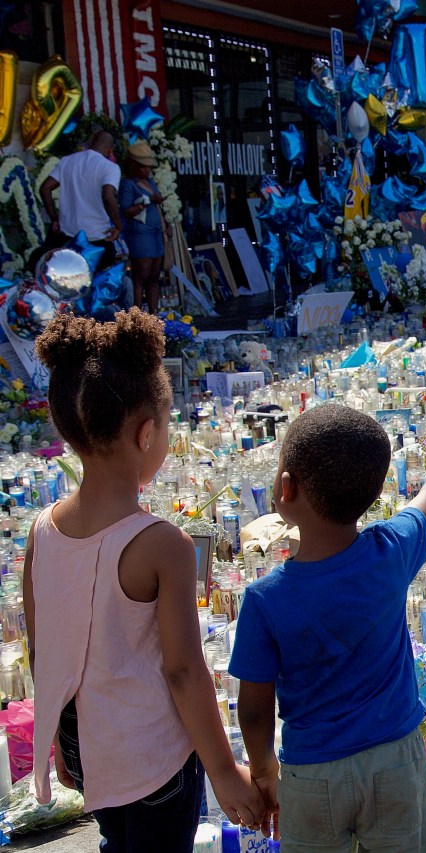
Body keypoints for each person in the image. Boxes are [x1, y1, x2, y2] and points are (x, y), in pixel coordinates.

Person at [24, 310, 264, 850]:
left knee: (118, 840)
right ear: (148, 432)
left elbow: (44, 652)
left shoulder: (42, 532)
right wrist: (224, 772)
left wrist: (61, 739)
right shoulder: (161, 544)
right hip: (151, 757)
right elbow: (182, 671)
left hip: (88, 746)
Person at [231, 405, 426, 850]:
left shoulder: (265, 599)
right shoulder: (389, 552)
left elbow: (255, 710)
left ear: (286, 487)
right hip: (395, 759)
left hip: (312, 772)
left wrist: (263, 773)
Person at [38, 131, 124, 269]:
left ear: (90, 143)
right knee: (100, 284)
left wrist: (55, 218)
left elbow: (45, 188)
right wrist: (118, 225)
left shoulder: (67, 161)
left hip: (67, 236)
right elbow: (108, 196)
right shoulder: (109, 167)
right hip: (98, 237)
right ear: (110, 150)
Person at [118, 142, 167, 311]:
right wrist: (147, 201)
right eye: (143, 167)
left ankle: (154, 314)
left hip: (155, 232)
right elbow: (125, 210)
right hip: (140, 233)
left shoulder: (150, 182)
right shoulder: (127, 184)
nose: (146, 171)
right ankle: (137, 315)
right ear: (134, 166)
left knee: (154, 276)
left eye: (148, 168)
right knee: (141, 276)